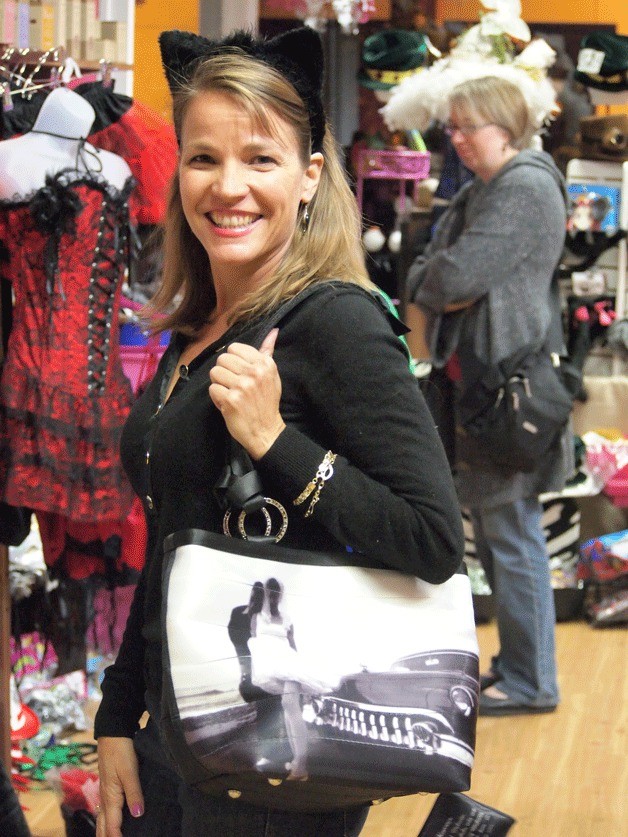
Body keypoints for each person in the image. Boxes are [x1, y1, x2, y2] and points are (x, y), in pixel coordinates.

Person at [94, 26, 464, 837]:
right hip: (181, 734)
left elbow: (434, 539)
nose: (229, 187)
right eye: (204, 157)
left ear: (309, 176)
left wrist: (276, 443)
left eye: (261, 158)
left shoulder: (336, 323)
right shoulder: (198, 327)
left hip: (280, 762)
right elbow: (173, 536)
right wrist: (117, 715)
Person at [406, 75, 573, 717]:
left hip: (507, 384)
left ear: (501, 128)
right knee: (504, 528)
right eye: (451, 127)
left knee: (510, 531)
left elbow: (454, 272)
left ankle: (532, 683)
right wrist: (436, 278)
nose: (453, 138)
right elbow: (428, 270)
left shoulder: (524, 187)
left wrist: (437, 278)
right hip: (487, 382)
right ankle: (519, 669)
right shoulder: (486, 188)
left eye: (463, 127)